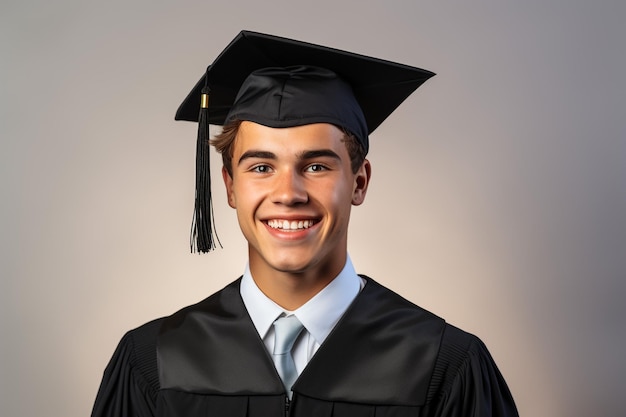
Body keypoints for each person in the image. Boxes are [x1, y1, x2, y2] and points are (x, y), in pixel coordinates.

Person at [91, 30, 519, 417]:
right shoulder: (155, 363)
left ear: (359, 182)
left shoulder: (443, 365)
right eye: (260, 167)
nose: (288, 193)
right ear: (229, 186)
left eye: (316, 166)